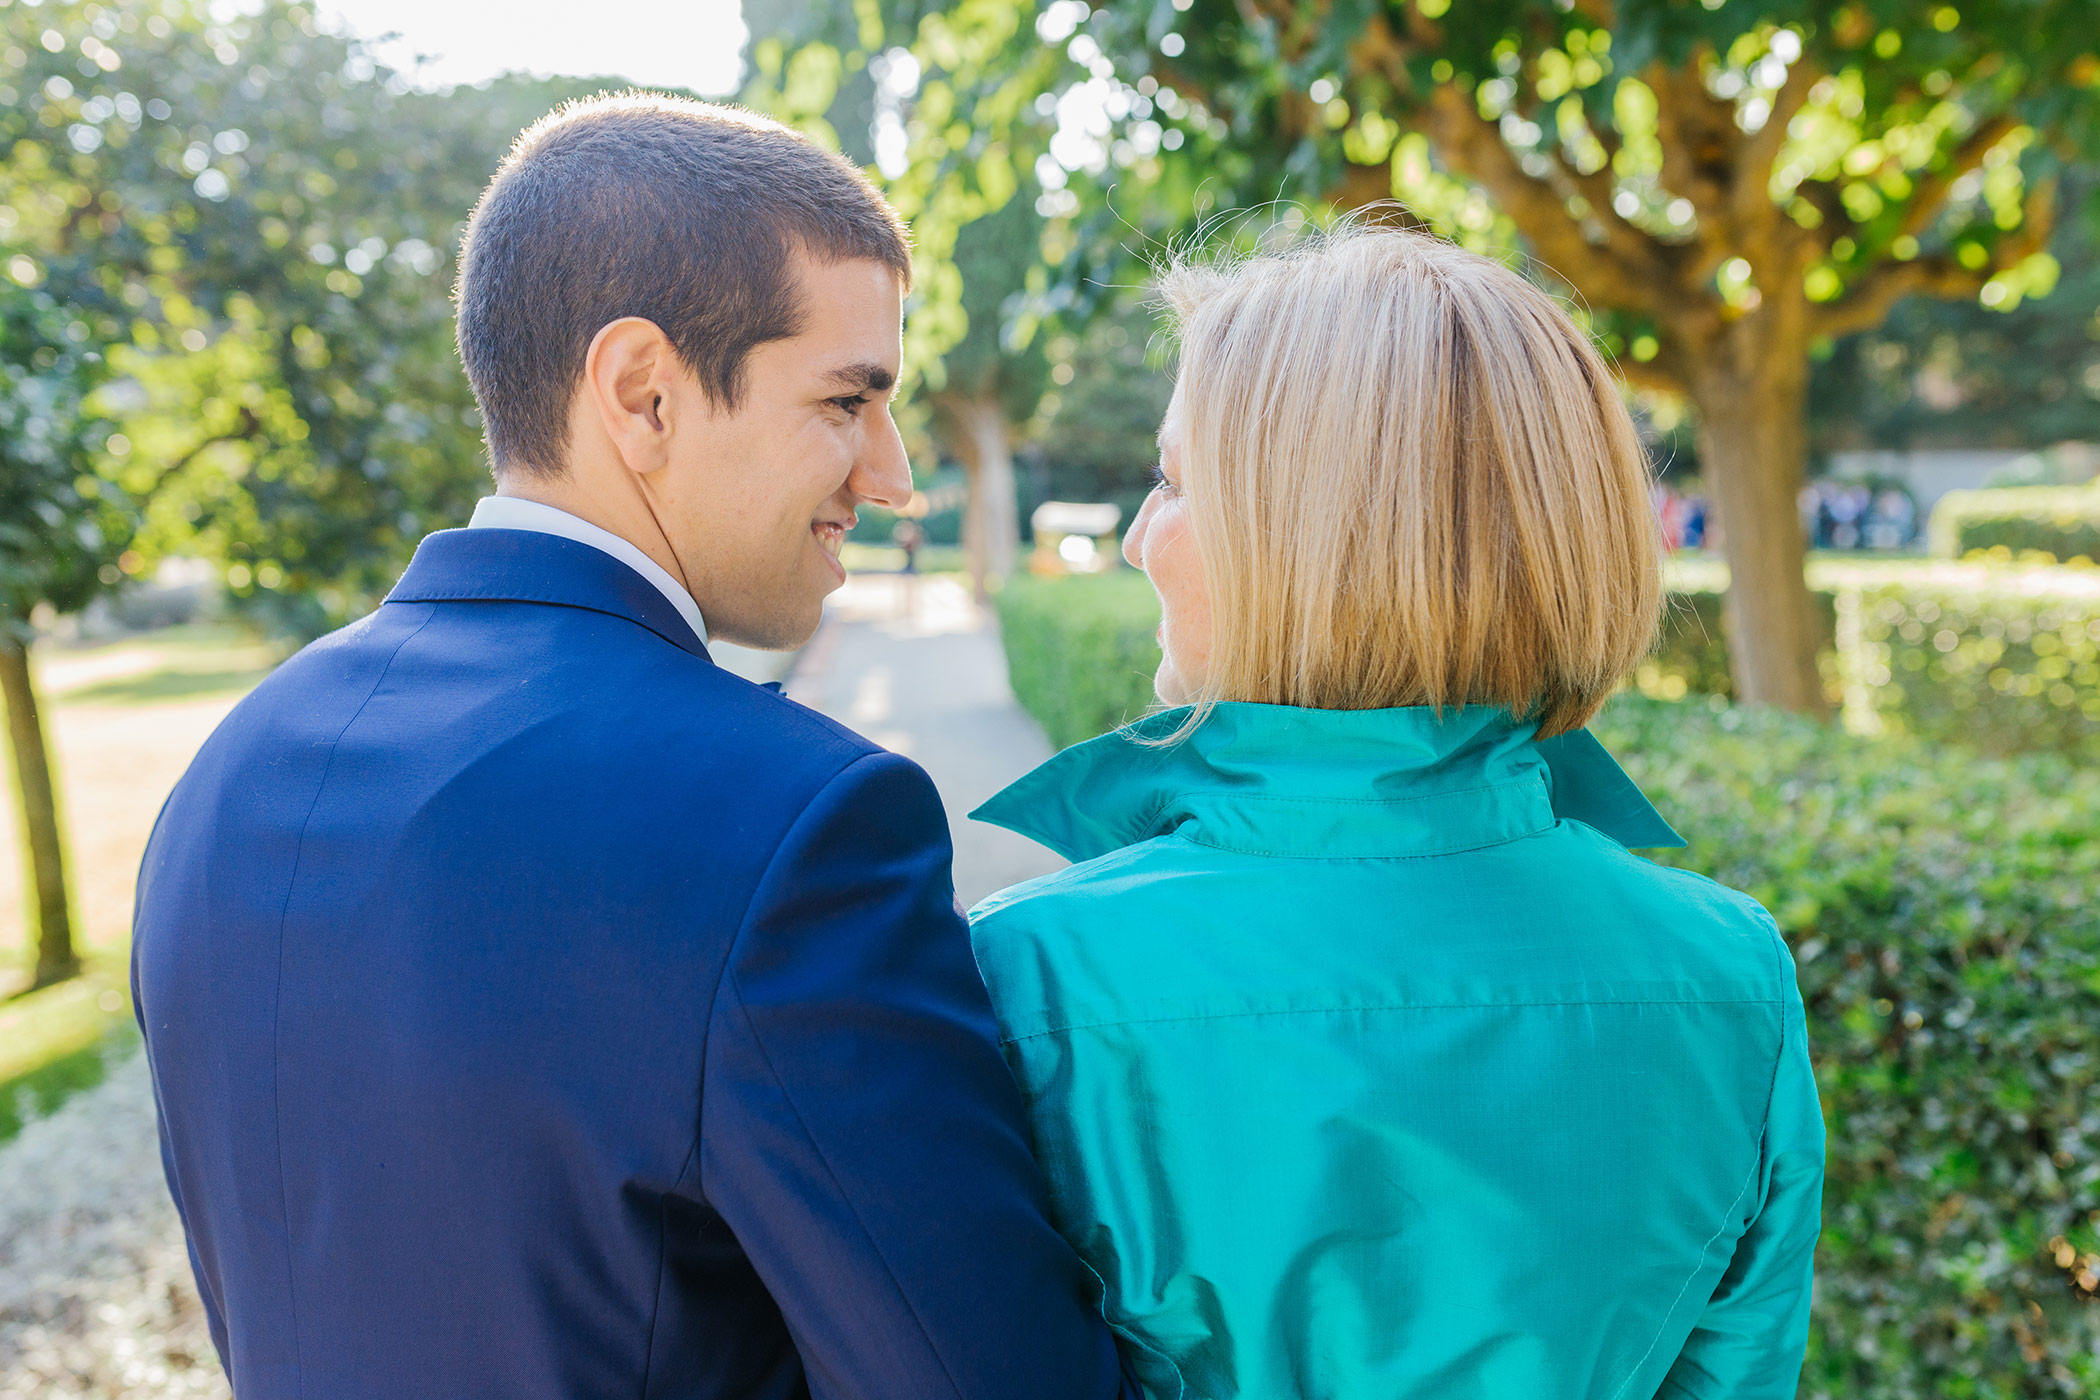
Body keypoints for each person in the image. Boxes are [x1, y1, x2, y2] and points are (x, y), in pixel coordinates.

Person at [131, 93, 1137, 1400]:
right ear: (644, 394)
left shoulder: (223, 778)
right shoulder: (794, 826)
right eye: (847, 400)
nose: (891, 475)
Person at [968, 226, 1826, 1399]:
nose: (1133, 538)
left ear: (1304, 539)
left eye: (1171, 482)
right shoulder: (1730, 975)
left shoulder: (1029, 975)